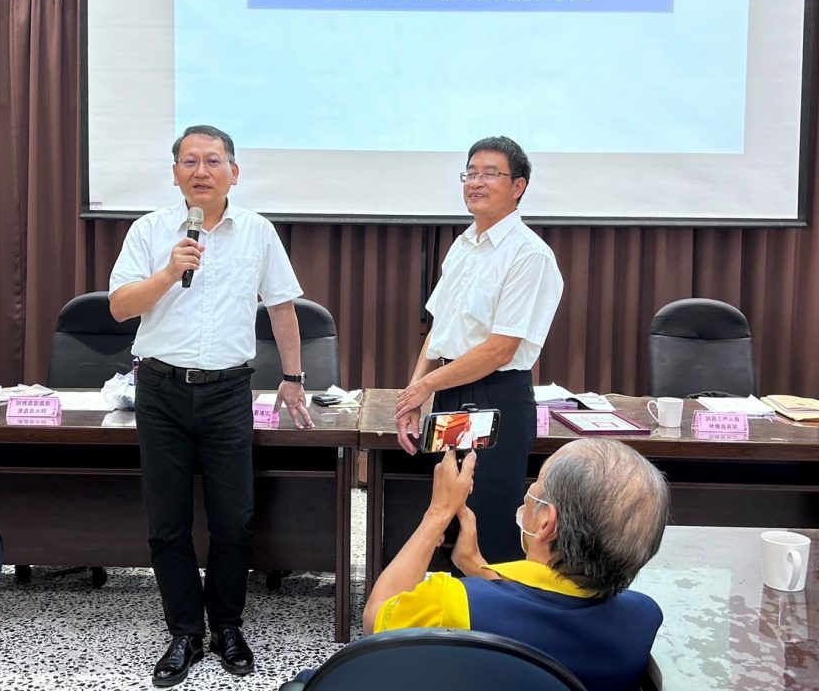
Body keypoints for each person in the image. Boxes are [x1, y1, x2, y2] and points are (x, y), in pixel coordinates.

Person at [109, 124, 312, 688]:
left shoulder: (258, 232)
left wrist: (293, 378)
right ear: (175, 172)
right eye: (190, 161)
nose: (202, 171)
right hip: (160, 390)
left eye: (213, 160)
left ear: (233, 172)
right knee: (167, 520)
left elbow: (282, 308)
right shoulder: (150, 231)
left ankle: (226, 626)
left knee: (233, 519)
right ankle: (184, 632)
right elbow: (121, 307)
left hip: (227, 393)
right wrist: (169, 272)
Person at [362, 438, 671, 691]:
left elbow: (375, 624)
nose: (530, 494)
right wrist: (475, 564)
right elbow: (544, 605)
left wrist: (439, 512)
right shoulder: (643, 619)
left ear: (546, 522)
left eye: (536, 487)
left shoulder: (452, 602)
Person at [395, 135, 563, 563]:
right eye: (470, 173)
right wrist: (416, 394)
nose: (476, 182)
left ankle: (492, 607)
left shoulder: (529, 255)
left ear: (518, 186)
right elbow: (439, 329)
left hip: (495, 396)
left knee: (487, 526)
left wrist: (425, 386)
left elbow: (500, 350)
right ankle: (452, 605)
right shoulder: (464, 244)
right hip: (451, 393)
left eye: (490, 174)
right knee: (447, 516)